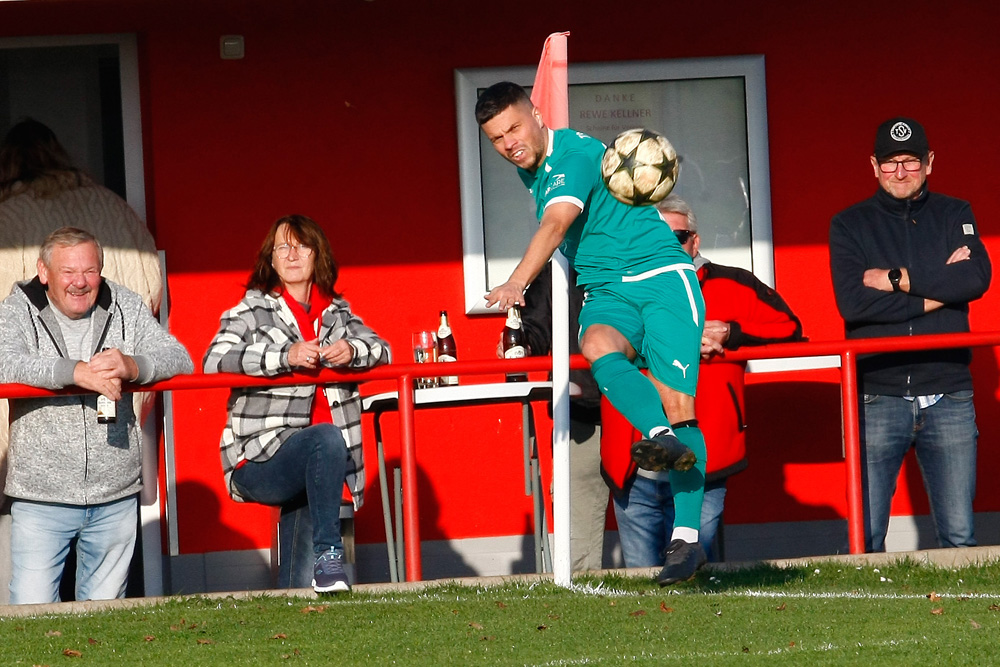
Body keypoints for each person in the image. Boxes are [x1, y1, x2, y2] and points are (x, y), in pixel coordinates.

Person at [476, 82, 706, 585]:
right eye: (496, 138)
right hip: (605, 286)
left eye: (514, 127)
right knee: (597, 344)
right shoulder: (530, 168)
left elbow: (557, 223)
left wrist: (518, 281)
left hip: (661, 278)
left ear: (537, 114)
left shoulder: (572, 156)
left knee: (678, 402)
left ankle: (687, 540)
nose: (509, 142)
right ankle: (659, 436)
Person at [0, 119, 163, 604]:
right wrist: (126, 363)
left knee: (31, 597)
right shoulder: (114, 209)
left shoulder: (6, 216)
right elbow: (153, 290)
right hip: (114, 415)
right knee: (102, 599)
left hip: (33, 433)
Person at [603, 194, 805, 565]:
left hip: (705, 456)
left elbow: (790, 328)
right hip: (636, 461)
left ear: (694, 241)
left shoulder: (734, 283)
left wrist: (731, 331)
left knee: (693, 573)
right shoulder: (615, 288)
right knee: (640, 579)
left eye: (676, 237)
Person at [0, 227, 192, 605]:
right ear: (44, 271)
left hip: (115, 494)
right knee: (32, 611)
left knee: (102, 619)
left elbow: (179, 358)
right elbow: (4, 361)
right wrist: (74, 372)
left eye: (90, 271)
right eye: (68, 272)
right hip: (41, 497)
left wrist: (132, 365)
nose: (80, 282)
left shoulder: (126, 303)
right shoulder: (17, 307)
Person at [203, 214, 389, 593]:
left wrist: (349, 350)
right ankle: (329, 554)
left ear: (317, 255)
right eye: (281, 247)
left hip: (316, 461)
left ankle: (296, 602)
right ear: (270, 261)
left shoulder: (338, 313)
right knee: (324, 439)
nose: (291, 254)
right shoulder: (252, 310)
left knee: (298, 582)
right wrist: (284, 356)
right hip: (258, 457)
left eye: (300, 246)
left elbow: (382, 351)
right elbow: (214, 359)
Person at [830, 117, 991, 552]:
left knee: (960, 536)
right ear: (873, 165)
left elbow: (976, 277)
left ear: (930, 163)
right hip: (876, 394)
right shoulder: (848, 225)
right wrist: (940, 287)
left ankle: (965, 619)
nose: (900, 172)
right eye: (890, 163)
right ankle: (864, 619)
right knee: (865, 537)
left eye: (910, 161)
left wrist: (897, 278)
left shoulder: (955, 212)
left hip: (949, 393)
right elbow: (854, 305)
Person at [499, 262, 607, 572]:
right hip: (582, 412)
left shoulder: (640, 258)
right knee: (577, 527)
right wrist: (523, 343)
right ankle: (584, 600)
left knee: (649, 513)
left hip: (643, 409)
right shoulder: (560, 267)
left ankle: (666, 589)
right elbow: (533, 327)